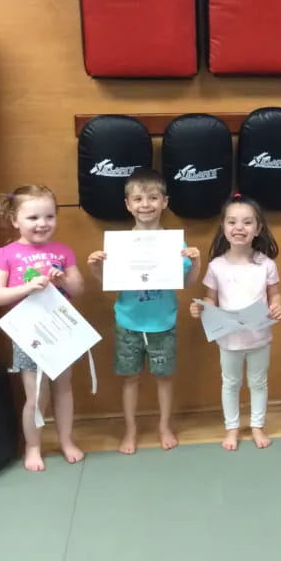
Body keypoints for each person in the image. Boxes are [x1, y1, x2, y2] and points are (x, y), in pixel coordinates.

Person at [86, 169, 201, 454]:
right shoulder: (120, 246)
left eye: (152, 197)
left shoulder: (177, 244)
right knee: (130, 378)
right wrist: (95, 268)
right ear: (128, 204)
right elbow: (112, 285)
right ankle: (131, 430)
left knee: (164, 377)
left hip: (163, 321)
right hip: (128, 322)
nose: (145, 204)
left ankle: (164, 426)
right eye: (138, 198)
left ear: (164, 202)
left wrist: (196, 262)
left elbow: (185, 283)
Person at [0, 184, 86, 472]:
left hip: (62, 330)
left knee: (64, 389)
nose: (43, 224)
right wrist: (27, 287)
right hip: (28, 335)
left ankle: (66, 440)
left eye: (49, 216)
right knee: (36, 395)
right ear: (15, 220)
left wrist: (64, 279)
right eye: (33, 218)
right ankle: (33, 446)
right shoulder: (4, 254)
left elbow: (79, 288)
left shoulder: (63, 251)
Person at [189, 195, 281, 451]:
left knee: (258, 382)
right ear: (223, 227)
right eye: (232, 222)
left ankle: (256, 425)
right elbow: (210, 297)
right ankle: (231, 428)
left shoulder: (266, 264)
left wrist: (277, 305)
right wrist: (202, 308)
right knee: (230, 383)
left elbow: (274, 293)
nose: (239, 228)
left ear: (258, 228)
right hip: (228, 339)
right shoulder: (217, 265)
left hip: (259, 337)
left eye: (247, 222)